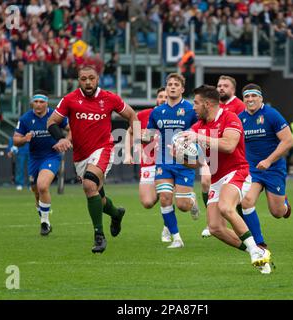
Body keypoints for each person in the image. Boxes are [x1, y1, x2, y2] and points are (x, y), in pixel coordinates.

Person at [174, 85, 272, 273]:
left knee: (226, 207)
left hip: (238, 171)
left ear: (208, 104)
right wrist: (181, 155)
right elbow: (196, 164)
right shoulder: (198, 126)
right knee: (215, 228)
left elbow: (229, 145)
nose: (192, 107)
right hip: (217, 178)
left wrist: (199, 137)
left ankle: (256, 251)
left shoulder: (230, 118)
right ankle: (257, 251)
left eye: (195, 103)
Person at [47, 66, 140, 254]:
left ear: (98, 79)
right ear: (78, 80)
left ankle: (99, 236)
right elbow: (51, 122)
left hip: (103, 149)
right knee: (98, 196)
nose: (88, 82)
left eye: (91, 78)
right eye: (83, 79)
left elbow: (132, 115)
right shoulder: (70, 99)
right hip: (80, 155)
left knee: (89, 185)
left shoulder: (109, 98)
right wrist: (61, 138)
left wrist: (136, 142)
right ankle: (116, 213)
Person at [145, 73, 200, 249]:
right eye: (170, 84)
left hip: (185, 161)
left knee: (182, 205)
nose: (173, 87)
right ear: (166, 87)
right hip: (163, 160)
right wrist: (140, 137)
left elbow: (200, 131)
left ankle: (191, 200)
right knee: (165, 197)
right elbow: (150, 134)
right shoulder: (157, 111)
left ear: (182, 89)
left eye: (176, 84)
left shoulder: (191, 110)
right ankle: (176, 238)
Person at [13, 91, 70, 236]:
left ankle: (44, 223)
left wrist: (66, 140)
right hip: (34, 158)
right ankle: (45, 217)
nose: (38, 104)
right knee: (36, 190)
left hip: (51, 155)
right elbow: (15, 140)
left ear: (47, 103)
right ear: (32, 103)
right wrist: (24, 139)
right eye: (36, 101)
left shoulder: (55, 116)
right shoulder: (25, 118)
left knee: (43, 185)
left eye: (41, 101)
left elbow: (72, 128)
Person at [238, 84, 293, 232]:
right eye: (247, 96)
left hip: (273, 168)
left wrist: (269, 161)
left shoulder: (271, 114)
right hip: (252, 170)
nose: (250, 99)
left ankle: (284, 204)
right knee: (246, 201)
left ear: (261, 98)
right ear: (243, 100)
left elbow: (288, 140)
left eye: (254, 96)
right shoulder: (239, 119)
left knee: (277, 212)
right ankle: (257, 241)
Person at [200, 75, 247, 238]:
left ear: (233, 89)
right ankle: (214, 222)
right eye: (219, 85)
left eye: (225, 86)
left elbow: (236, 135)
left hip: (236, 154)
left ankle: (250, 237)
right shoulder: (211, 107)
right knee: (206, 180)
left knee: (239, 203)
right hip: (213, 154)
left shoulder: (238, 106)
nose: (221, 88)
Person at [123, 88, 167, 227]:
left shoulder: (177, 116)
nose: (163, 99)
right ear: (156, 99)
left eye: (166, 97)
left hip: (168, 162)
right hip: (148, 163)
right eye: (160, 96)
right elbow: (129, 132)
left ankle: (169, 228)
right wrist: (128, 154)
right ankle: (162, 192)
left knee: (170, 196)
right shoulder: (144, 114)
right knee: (147, 203)